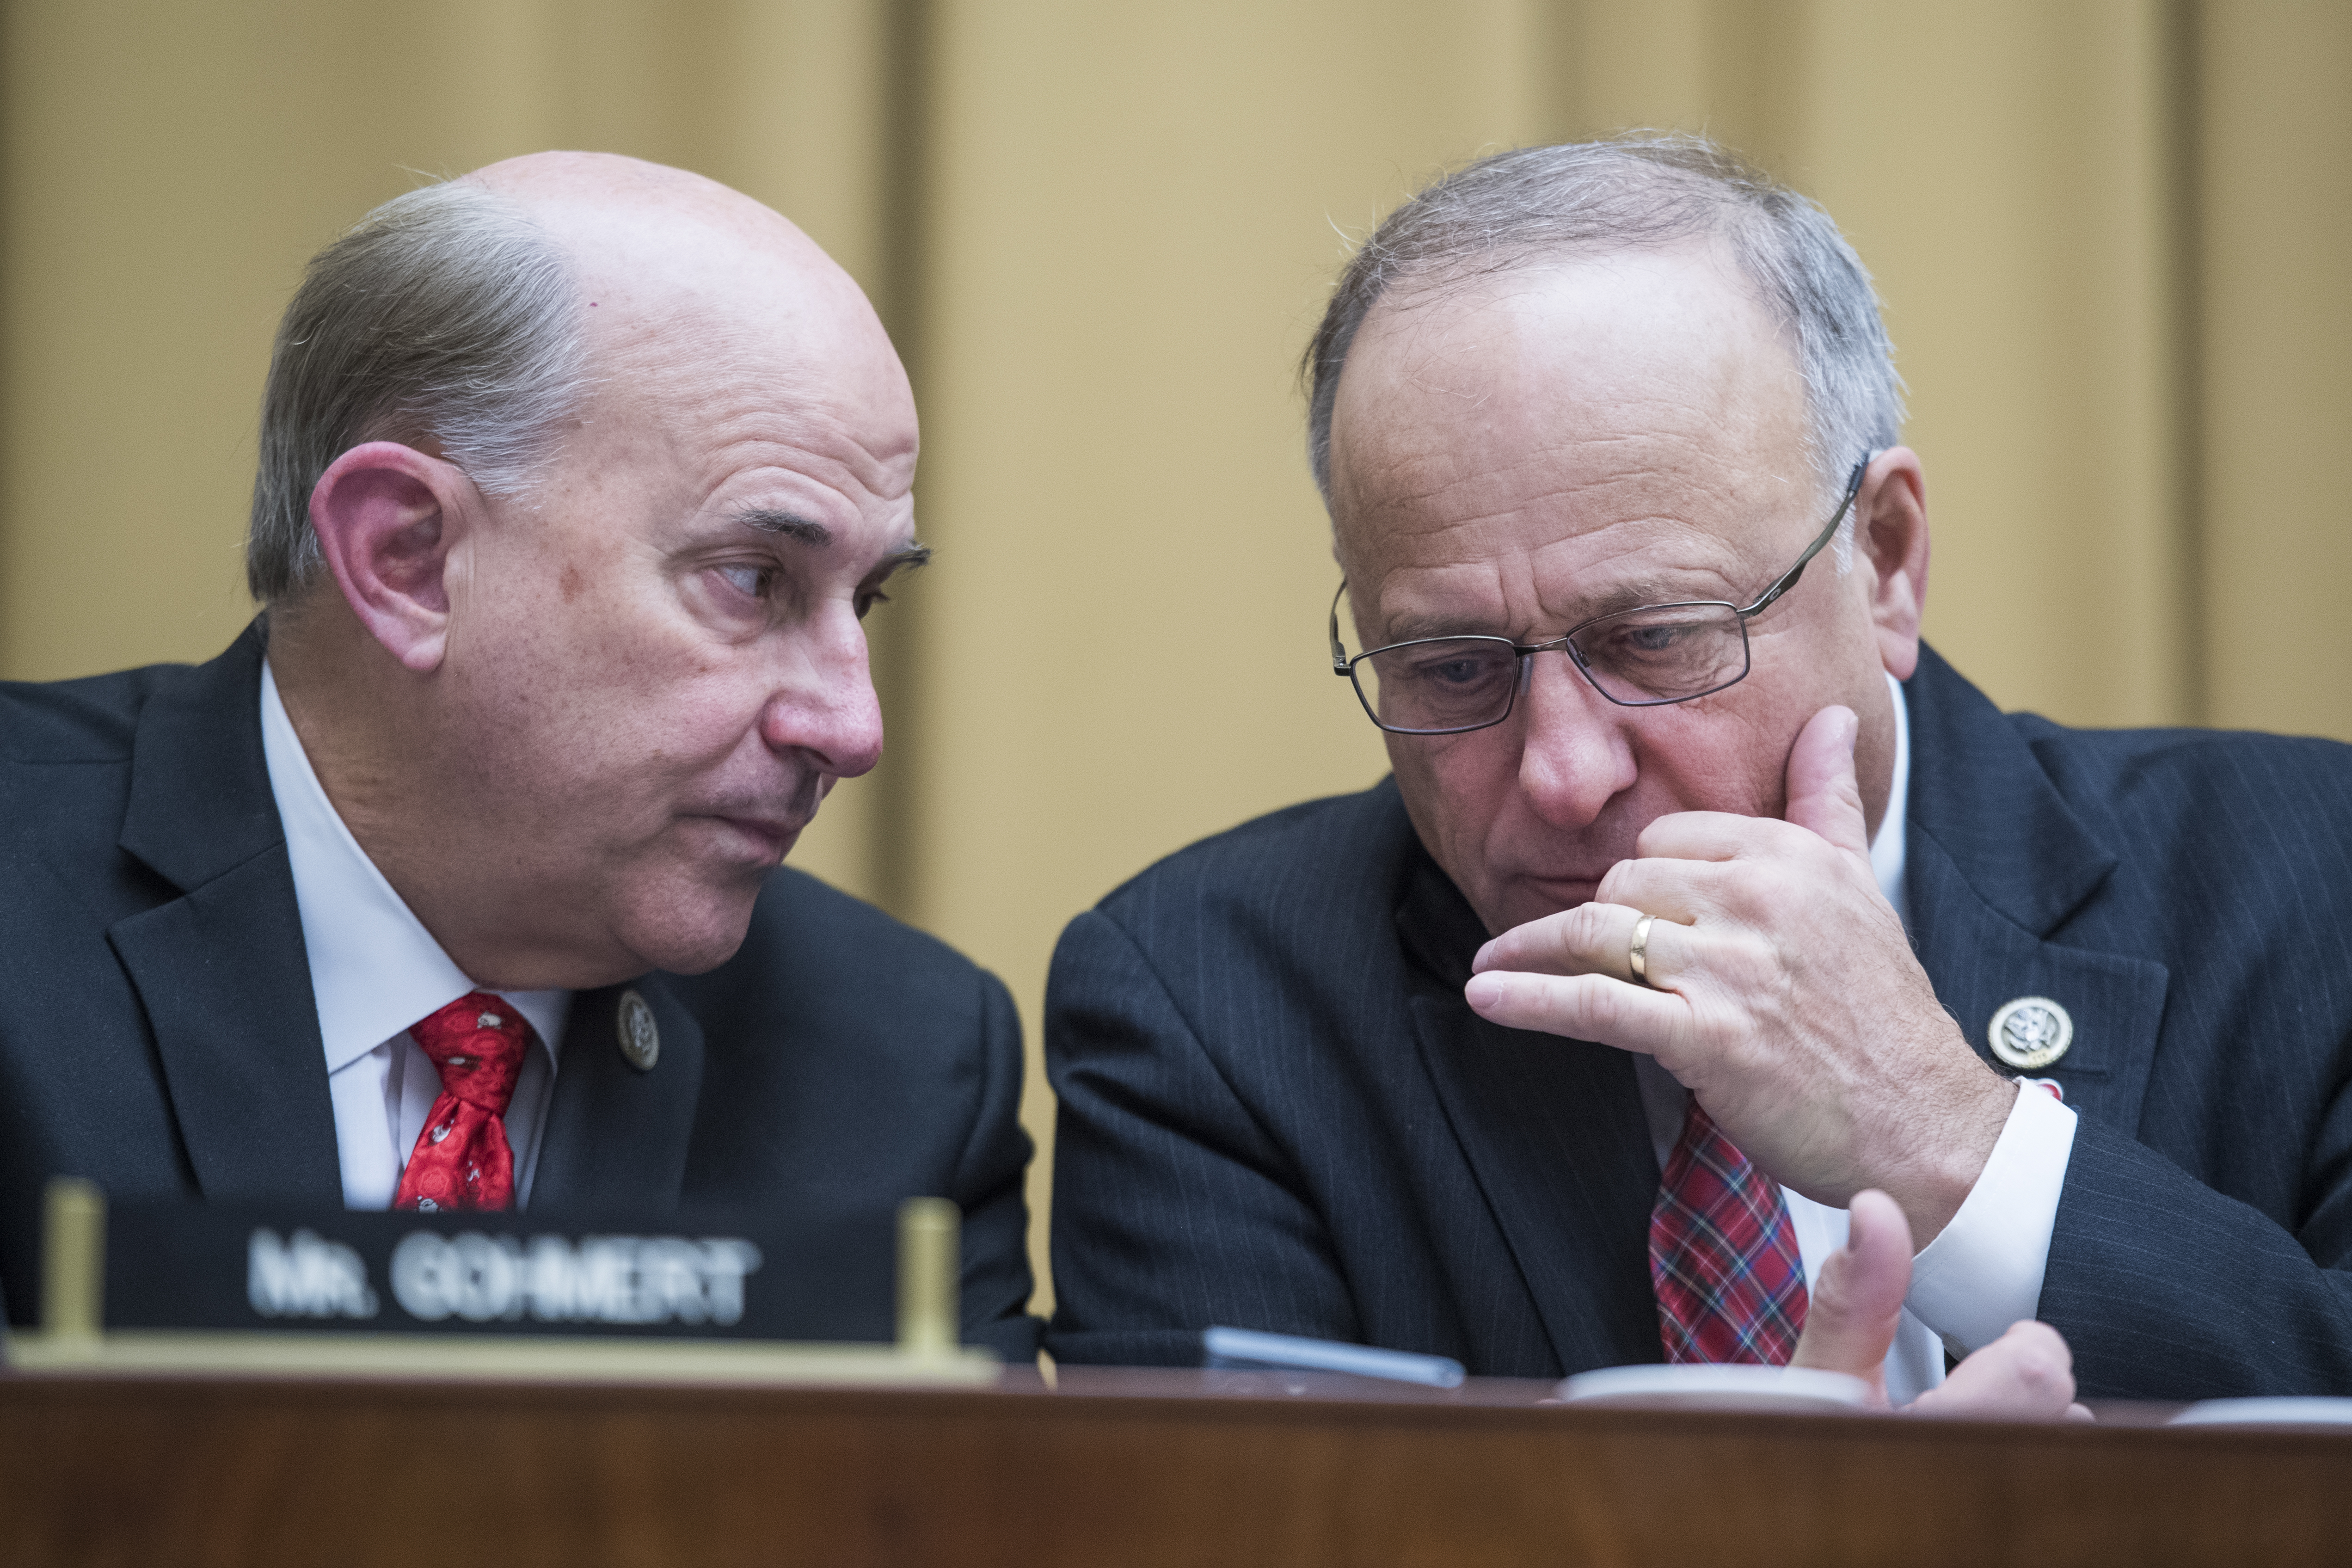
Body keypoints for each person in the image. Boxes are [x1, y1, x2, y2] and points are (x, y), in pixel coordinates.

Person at [1043, 137, 2352, 1402]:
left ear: (1886, 559)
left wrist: (1958, 1144)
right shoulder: (1213, 1007)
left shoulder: (2308, 881)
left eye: (1655, 638)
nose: (1562, 775)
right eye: (1451, 667)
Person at [0, 153, 1037, 1355]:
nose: (853, 732)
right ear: (408, 558)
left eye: (864, 602)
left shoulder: (899, 1068)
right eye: (754, 581)